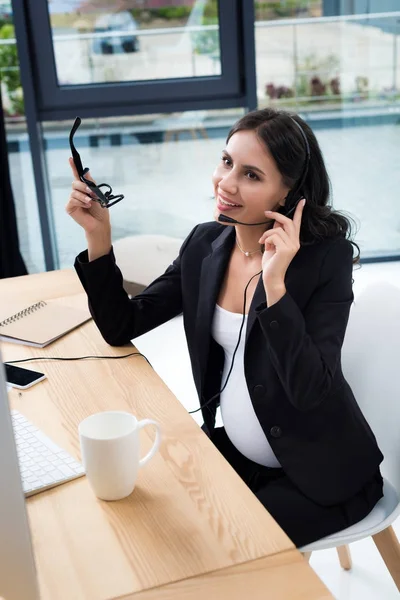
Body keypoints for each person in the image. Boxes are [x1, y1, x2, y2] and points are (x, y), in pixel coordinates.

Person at [66, 108, 383, 547]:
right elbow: (123, 325)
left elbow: (310, 389)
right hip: (238, 450)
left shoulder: (325, 261)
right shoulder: (205, 243)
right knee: (146, 517)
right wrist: (99, 239)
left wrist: (275, 284)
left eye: (251, 175)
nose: (226, 183)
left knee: (222, 545)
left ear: (289, 194)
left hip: (319, 474)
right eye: (227, 161)